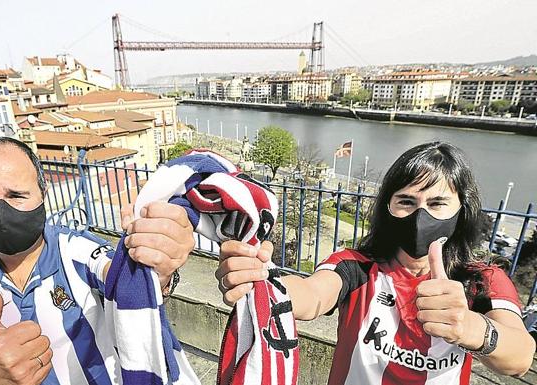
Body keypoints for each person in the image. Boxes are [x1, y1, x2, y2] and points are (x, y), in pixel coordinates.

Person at [216, 142, 535, 384]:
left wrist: (469, 326)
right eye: (406, 202)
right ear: (387, 208)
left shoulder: (482, 279)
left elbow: (520, 357)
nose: (420, 217)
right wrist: (263, 279)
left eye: (437, 203)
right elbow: (312, 296)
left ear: (462, 211)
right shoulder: (356, 266)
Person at [0, 136, 196, 385]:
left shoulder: (76, 249)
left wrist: (156, 269)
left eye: (17, 195)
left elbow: (119, 276)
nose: (1, 211)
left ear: (42, 194)